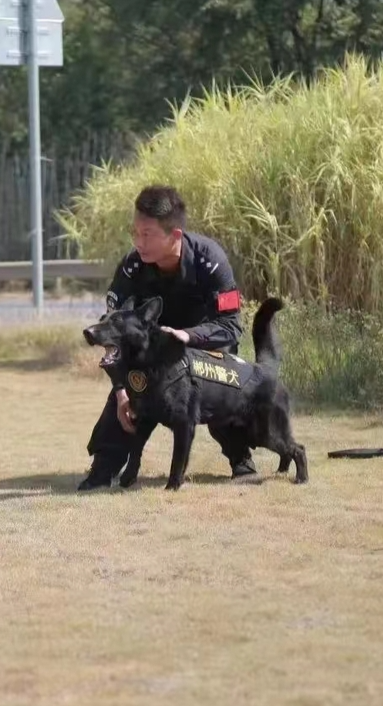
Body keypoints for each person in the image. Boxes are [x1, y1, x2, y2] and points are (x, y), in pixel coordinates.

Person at [79, 184, 257, 491]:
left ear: (174, 235)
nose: (138, 242)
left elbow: (230, 327)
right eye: (134, 232)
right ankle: (103, 467)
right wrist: (121, 389)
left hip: (200, 342)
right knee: (130, 397)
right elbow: (113, 334)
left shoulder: (210, 261)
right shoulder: (132, 267)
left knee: (217, 389)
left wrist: (186, 335)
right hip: (153, 347)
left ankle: (240, 456)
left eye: (146, 234)